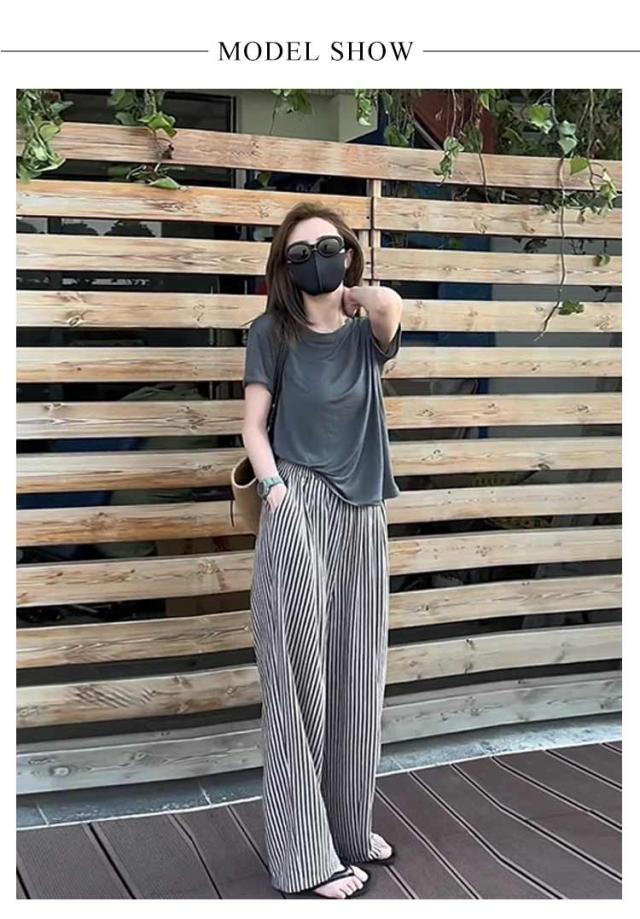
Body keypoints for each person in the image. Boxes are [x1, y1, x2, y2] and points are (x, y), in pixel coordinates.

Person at [241, 201, 403, 898]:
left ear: (349, 253)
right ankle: (303, 856)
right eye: (300, 253)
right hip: (297, 503)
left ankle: (347, 828)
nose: (316, 261)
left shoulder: (367, 333)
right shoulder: (270, 332)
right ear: (284, 266)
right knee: (296, 678)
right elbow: (252, 427)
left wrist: (352, 291)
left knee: (358, 676)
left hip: (363, 509)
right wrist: (276, 491)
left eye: (329, 247)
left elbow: (389, 306)